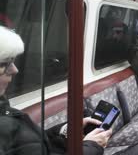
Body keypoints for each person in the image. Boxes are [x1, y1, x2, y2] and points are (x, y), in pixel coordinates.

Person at [0, 26, 111, 154]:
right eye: (4, 64)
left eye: (13, 62)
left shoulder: (5, 110)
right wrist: (91, 146)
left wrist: (66, 130)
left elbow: (36, 144)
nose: (15, 70)